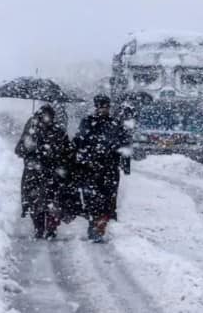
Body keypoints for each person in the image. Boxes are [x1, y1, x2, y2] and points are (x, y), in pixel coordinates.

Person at [73, 94, 130, 243]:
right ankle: (94, 226)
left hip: (109, 168)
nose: (103, 110)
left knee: (107, 200)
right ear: (96, 107)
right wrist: (81, 159)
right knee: (92, 200)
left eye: (106, 107)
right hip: (91, 168)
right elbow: (79, 142)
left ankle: (100, 227)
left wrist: (125, 163)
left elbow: (124, 144)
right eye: (101, 107)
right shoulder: (88, 122)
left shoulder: (115, 124)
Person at [14, 104, 75, 239]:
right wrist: (29, 147)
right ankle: (39, 227)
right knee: (35, 202)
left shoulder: (58, 132)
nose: (47, 119)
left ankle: (52, 228)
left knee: (54, 201)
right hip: (34, 173)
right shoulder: (32, 130)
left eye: (49, 116)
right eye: (45, 116)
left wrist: (61, 161)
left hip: (53, 173)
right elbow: (19, 150)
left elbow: (68, 151)